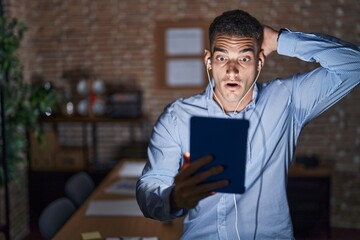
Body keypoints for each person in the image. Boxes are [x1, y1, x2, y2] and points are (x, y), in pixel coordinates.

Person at [136, 9, 360, 239]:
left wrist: (280, 40)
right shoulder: (177, 117)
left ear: (259, 62)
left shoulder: (287, 99)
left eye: (244, 58)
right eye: (222, 58)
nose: (232, 71)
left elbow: (355, 65)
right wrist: (173, 199)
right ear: (209, 61)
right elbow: (148, 191)